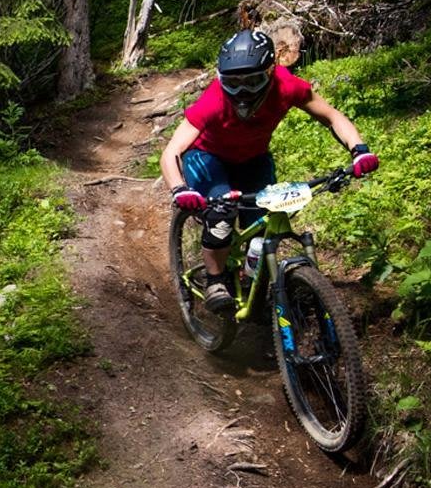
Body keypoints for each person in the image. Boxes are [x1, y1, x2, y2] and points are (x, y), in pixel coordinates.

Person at [158, 27, 378, 311]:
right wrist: (179, 189)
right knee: (221, 216)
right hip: (207, 158)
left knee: (263, 226)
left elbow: (332, 116)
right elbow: (172, 152)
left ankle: (253, 284)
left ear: (271, 72)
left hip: (253, 159)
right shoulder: (214, 100)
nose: (243, 91)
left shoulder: (287, 86)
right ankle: (215, 280)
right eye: (233, 83)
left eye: (253, 81)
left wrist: (359, 150)